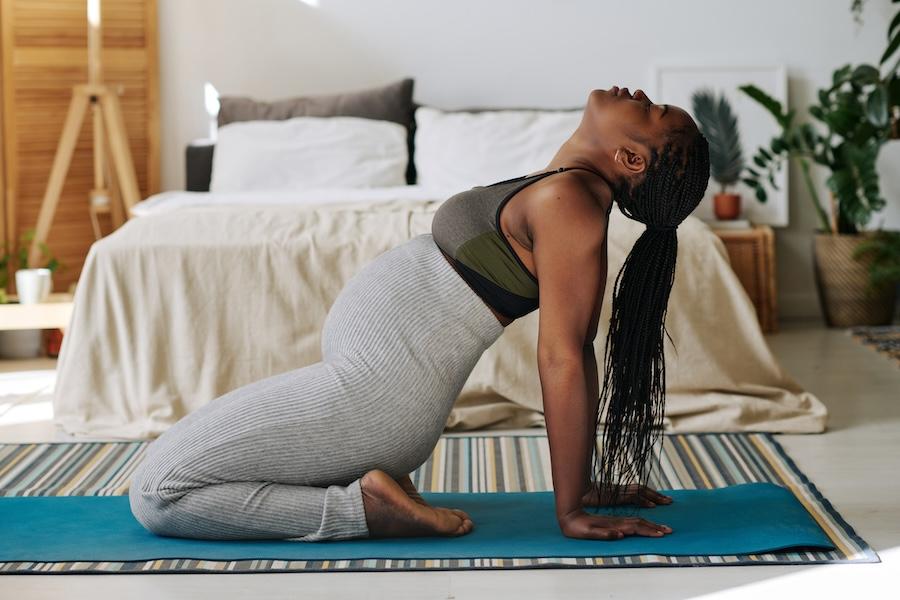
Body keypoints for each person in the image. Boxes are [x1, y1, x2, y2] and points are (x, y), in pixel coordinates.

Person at [128, 85, 710, 542]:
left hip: (372, 399)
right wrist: (582, 486)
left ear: (630, 156)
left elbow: (565, 353)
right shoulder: (563, 187)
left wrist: (572, 509)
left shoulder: (570, 205)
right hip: (363, 389)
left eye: (653, 110)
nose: (639, 94)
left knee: (159, 492)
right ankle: (374, 494)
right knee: (173, 473)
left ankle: (364, 511)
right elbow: (574, 349)